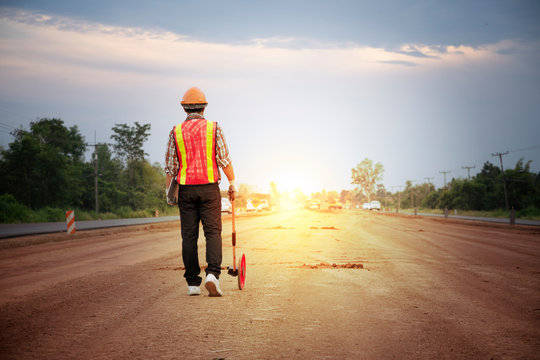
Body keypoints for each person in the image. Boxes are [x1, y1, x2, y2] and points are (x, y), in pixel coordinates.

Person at [165, 87, 237, 297]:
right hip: (209, 189)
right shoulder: (214, 129)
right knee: (213, 232)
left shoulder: (176, 131)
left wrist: (169, 193)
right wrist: (233, 183)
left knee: (188, 236)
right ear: (204, 107)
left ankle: (193, 284)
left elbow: (170, 166)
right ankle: (213, 275)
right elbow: (224, 159)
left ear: (184, 108)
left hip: (186, 190)